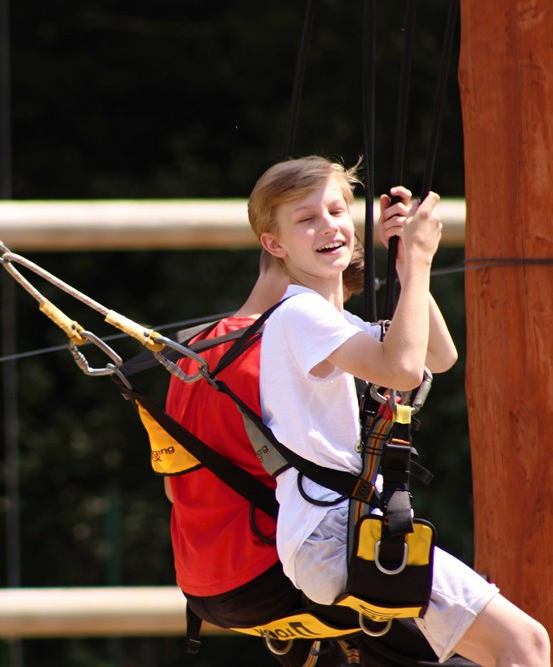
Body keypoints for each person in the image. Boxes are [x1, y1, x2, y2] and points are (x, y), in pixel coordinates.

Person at [246, 155, 551, 665]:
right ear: (274, 245)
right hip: (336, 530)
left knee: (491, 653)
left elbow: (438, 356)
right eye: (307, 219)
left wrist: (409, 267)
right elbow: (404, 370)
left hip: (336, 532)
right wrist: (423, 261)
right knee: (526, 644)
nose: (329, 226)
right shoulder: (299, 314)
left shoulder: (335, 323)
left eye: (336, 211)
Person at [164, 247, 479, 666]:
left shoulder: (192, 352)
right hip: (279, 567)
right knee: (475, 647)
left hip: (202, 583)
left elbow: (174, 488)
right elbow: (414, 366)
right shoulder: (287, 346)